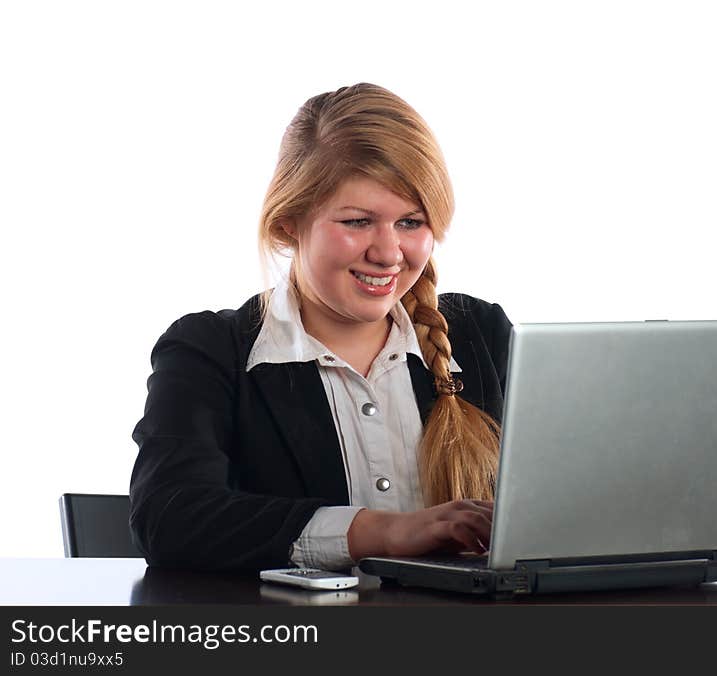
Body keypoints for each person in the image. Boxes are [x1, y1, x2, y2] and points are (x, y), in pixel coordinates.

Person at [129, 83, 512, 572]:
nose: (389, 252)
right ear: (289, 221)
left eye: (411, 223)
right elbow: (169, 518)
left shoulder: (482, 336)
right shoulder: (210, 351)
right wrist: (383, 531)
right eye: (357, 221)